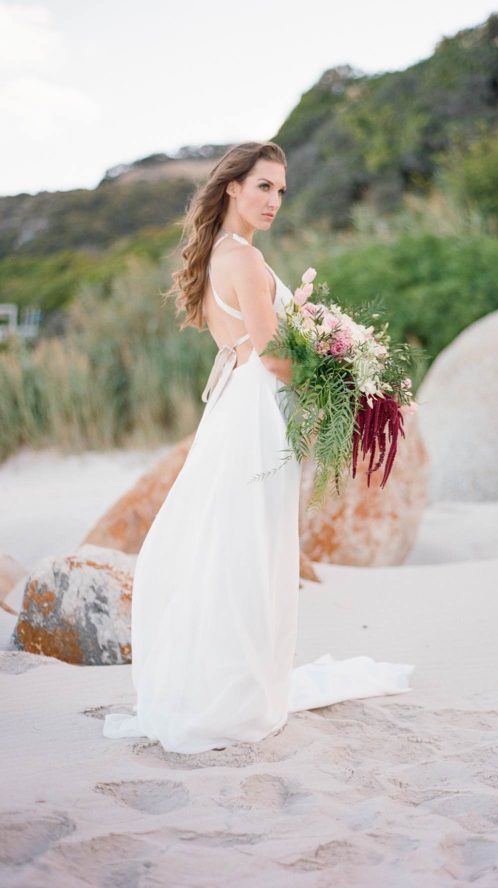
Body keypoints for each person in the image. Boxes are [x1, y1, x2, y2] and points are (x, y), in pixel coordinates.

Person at [103, 141, 414, 755]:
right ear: (231, 189)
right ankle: (238, 692)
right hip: (254, 414)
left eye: (281, 190)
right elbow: (273, 356)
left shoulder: (222, 254)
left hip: (238, 408)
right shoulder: (242, 258)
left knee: (240, 546)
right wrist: (344, 381)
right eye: (263, 187)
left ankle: (233, 680)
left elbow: (257, 346)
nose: (274, 200)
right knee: (253, 548)